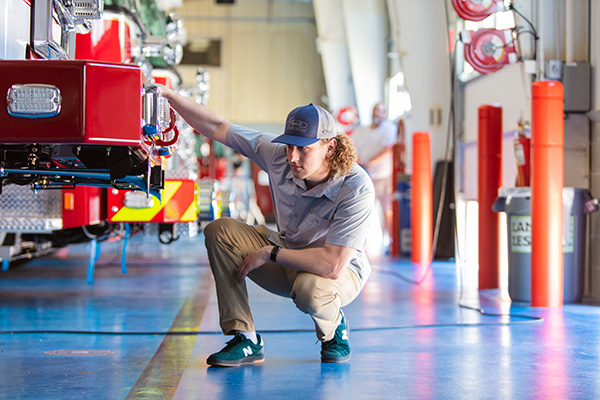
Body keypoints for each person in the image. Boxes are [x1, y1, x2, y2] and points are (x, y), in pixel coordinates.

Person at [158, 86, 375, 367]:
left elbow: (332, 265)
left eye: (303, 149)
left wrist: (269, 253)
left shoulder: (355, 187)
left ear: (330, 147)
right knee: (219, 231)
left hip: (335, 274)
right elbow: (218, 127)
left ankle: (334, 328)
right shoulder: (278, 155)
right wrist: (168, 96)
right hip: (287, 254)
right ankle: (245, 338)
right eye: (289, 146)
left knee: (311, 289)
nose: (293, 157)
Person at [350, 102, 397, 252]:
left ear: (385, 114)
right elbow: (352, 146)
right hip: (364, 175)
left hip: (382, 176)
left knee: (386, 209)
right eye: (375, 110)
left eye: (381, 111)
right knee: (363, 209)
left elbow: (387, 149)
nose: (377, 113)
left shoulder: (389, 129)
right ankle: (359, 244)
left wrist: (370, 162)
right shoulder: (361, 130)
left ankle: (390, 242)